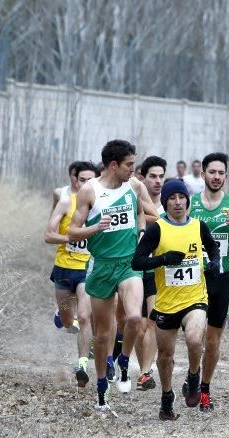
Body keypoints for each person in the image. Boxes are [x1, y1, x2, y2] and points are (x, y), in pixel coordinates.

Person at [68, 139, 159, 410]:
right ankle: (101, 387)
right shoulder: (89, 191)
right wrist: (95, 229)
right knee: (103, 335)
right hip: (101, 266)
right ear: (113, 165)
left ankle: (123, 362)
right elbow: (73, 231)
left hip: (129, 262)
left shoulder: (133, 186)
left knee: (133, 317)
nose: (134, 169)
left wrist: (142, 232)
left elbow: (142, 214)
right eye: (129, 164)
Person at [132, 179, 220, 420]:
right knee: (165, 356)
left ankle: (193, 377)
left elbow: (213, 249)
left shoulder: (199, 226)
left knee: (194, 340)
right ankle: (167, 398)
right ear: (166, 202)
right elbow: (137, 262)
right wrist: (163, 259)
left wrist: (214, 264)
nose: (178, 202)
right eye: (172, 198)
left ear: (187, 201)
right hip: (167, 303)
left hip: (195, 298)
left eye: (182, 197)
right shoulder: (157, 229)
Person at [188, 152, 229, 412]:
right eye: (211, 172)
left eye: (220, 173)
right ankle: (192, 374)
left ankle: (204, 389)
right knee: (194, 337)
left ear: (226, 175)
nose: (216, 177)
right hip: (193, 280)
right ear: (203, 174)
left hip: (221, 280)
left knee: (212, 342)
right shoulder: (189, 204)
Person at [44, 161, 97, 386]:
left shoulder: (100, 203)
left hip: (88, 268)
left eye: (90, 180)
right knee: (68, 321)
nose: (86, 183)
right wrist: (71, 237)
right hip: (64, 268)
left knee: (84, 317)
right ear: (74, 180)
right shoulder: (66, 201)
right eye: (82, 179)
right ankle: (62, 313)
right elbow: (48, 235)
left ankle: (82, 364)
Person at [132, 155, 167, 391]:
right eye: (152, 176)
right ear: (141, 178)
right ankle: (140, 364)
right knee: (137, 325)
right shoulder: (133, 200)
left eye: (161, 176)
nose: (157, 181)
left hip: (158, 271)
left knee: (153, 323)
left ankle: (145, 372)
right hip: (133, 269)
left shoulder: (173, 203)